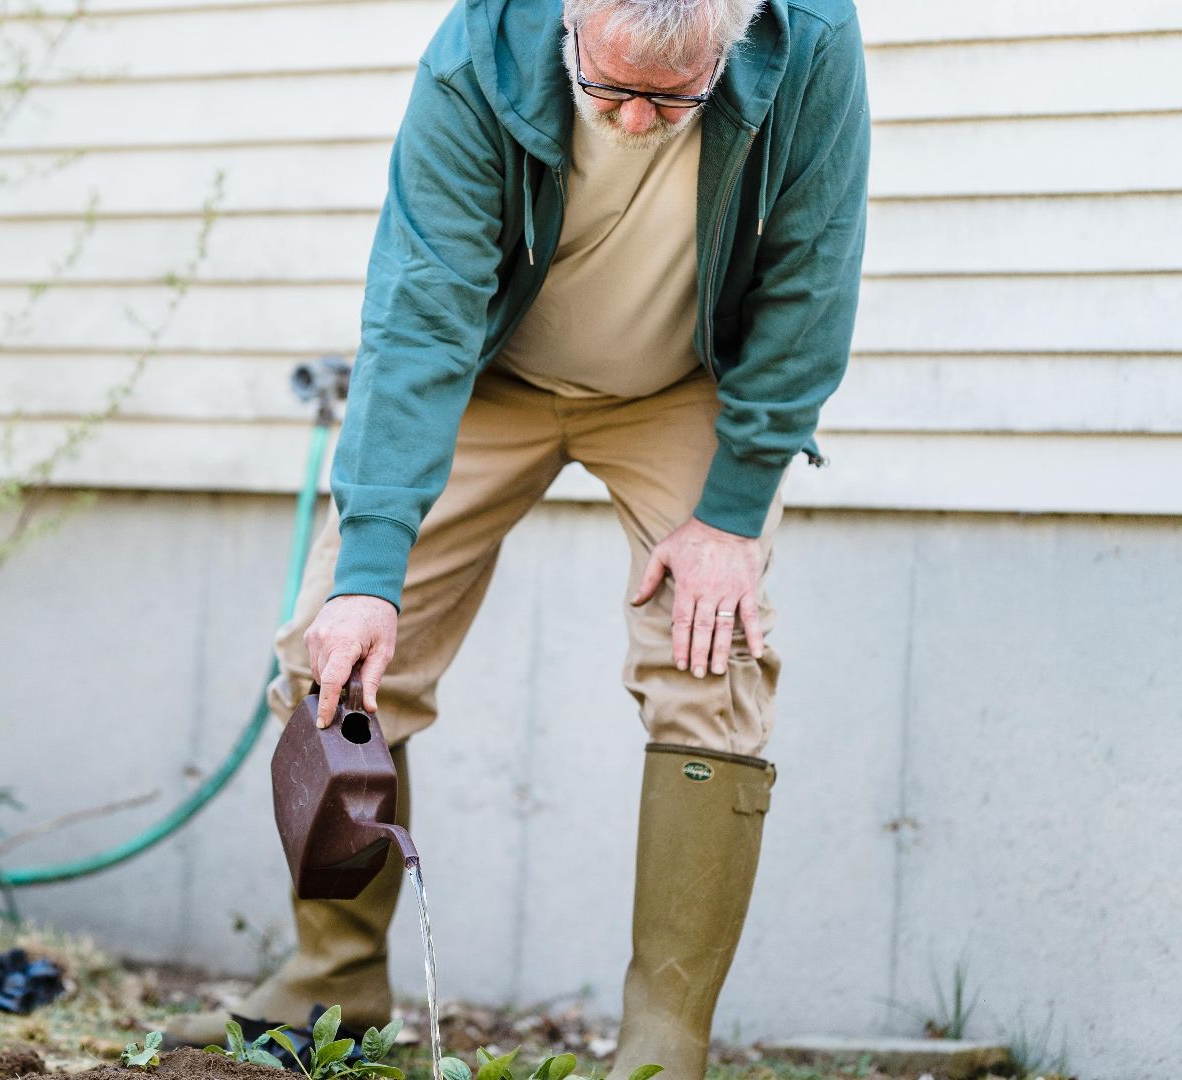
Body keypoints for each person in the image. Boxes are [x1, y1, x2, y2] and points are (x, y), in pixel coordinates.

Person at [166, 0, 868, 1073]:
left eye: (671, 99)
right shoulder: (481, 50)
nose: (633, 122)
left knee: (714, 657)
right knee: (336, 637)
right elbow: (422, 304)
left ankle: (661, 1043)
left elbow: (814, 271)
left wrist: (730, 515)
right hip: (488, 372)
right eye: (609, 89)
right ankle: (333, 983)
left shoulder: (810, 38)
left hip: (685, 389)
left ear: (734, 41)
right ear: (571, 20)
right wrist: (369, 573)